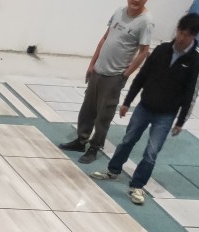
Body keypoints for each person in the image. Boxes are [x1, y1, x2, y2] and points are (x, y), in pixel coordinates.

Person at [92, 12, 199, 205]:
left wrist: (181, 120)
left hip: (166, 114)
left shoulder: (196, 59)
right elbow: (142, 76)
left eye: (187, 35)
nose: (181, 37)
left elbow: (191, 92)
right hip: (145, 107)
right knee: (128, 140)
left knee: (151, 152)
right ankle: (113, 170)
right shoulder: (162, 50)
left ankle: (137, 186)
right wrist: (127, 101)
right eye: (180, 32)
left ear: (194, 36)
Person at [59, 0, 154, 165]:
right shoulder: (119, 11)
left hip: (115, 75)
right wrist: (92, 64)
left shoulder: (146, 21)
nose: (136, 0)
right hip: (99, 69)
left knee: (104, 115)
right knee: (88, 108)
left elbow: (143, 52)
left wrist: (125, 74)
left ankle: (95, 147)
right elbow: (105, 38)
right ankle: (81, 140)